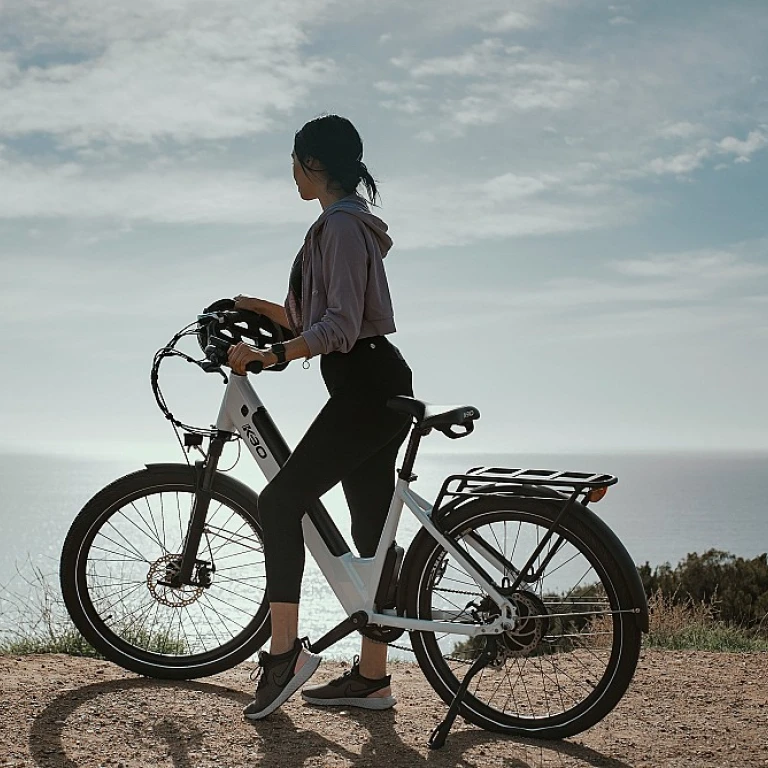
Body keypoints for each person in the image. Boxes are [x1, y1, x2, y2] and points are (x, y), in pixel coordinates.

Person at [227, 114, 414, 720]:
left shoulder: (337, 227)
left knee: (279, 501)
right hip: (374, 381)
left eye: (293, 164)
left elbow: (334, 326)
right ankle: (372, 679)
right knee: (369, 529)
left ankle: (283, 656)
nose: (291, 175)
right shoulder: (342, 225)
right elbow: (314, 314)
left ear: (311, 164)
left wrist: (275, 353)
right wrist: (249, 309)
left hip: (365, 387)